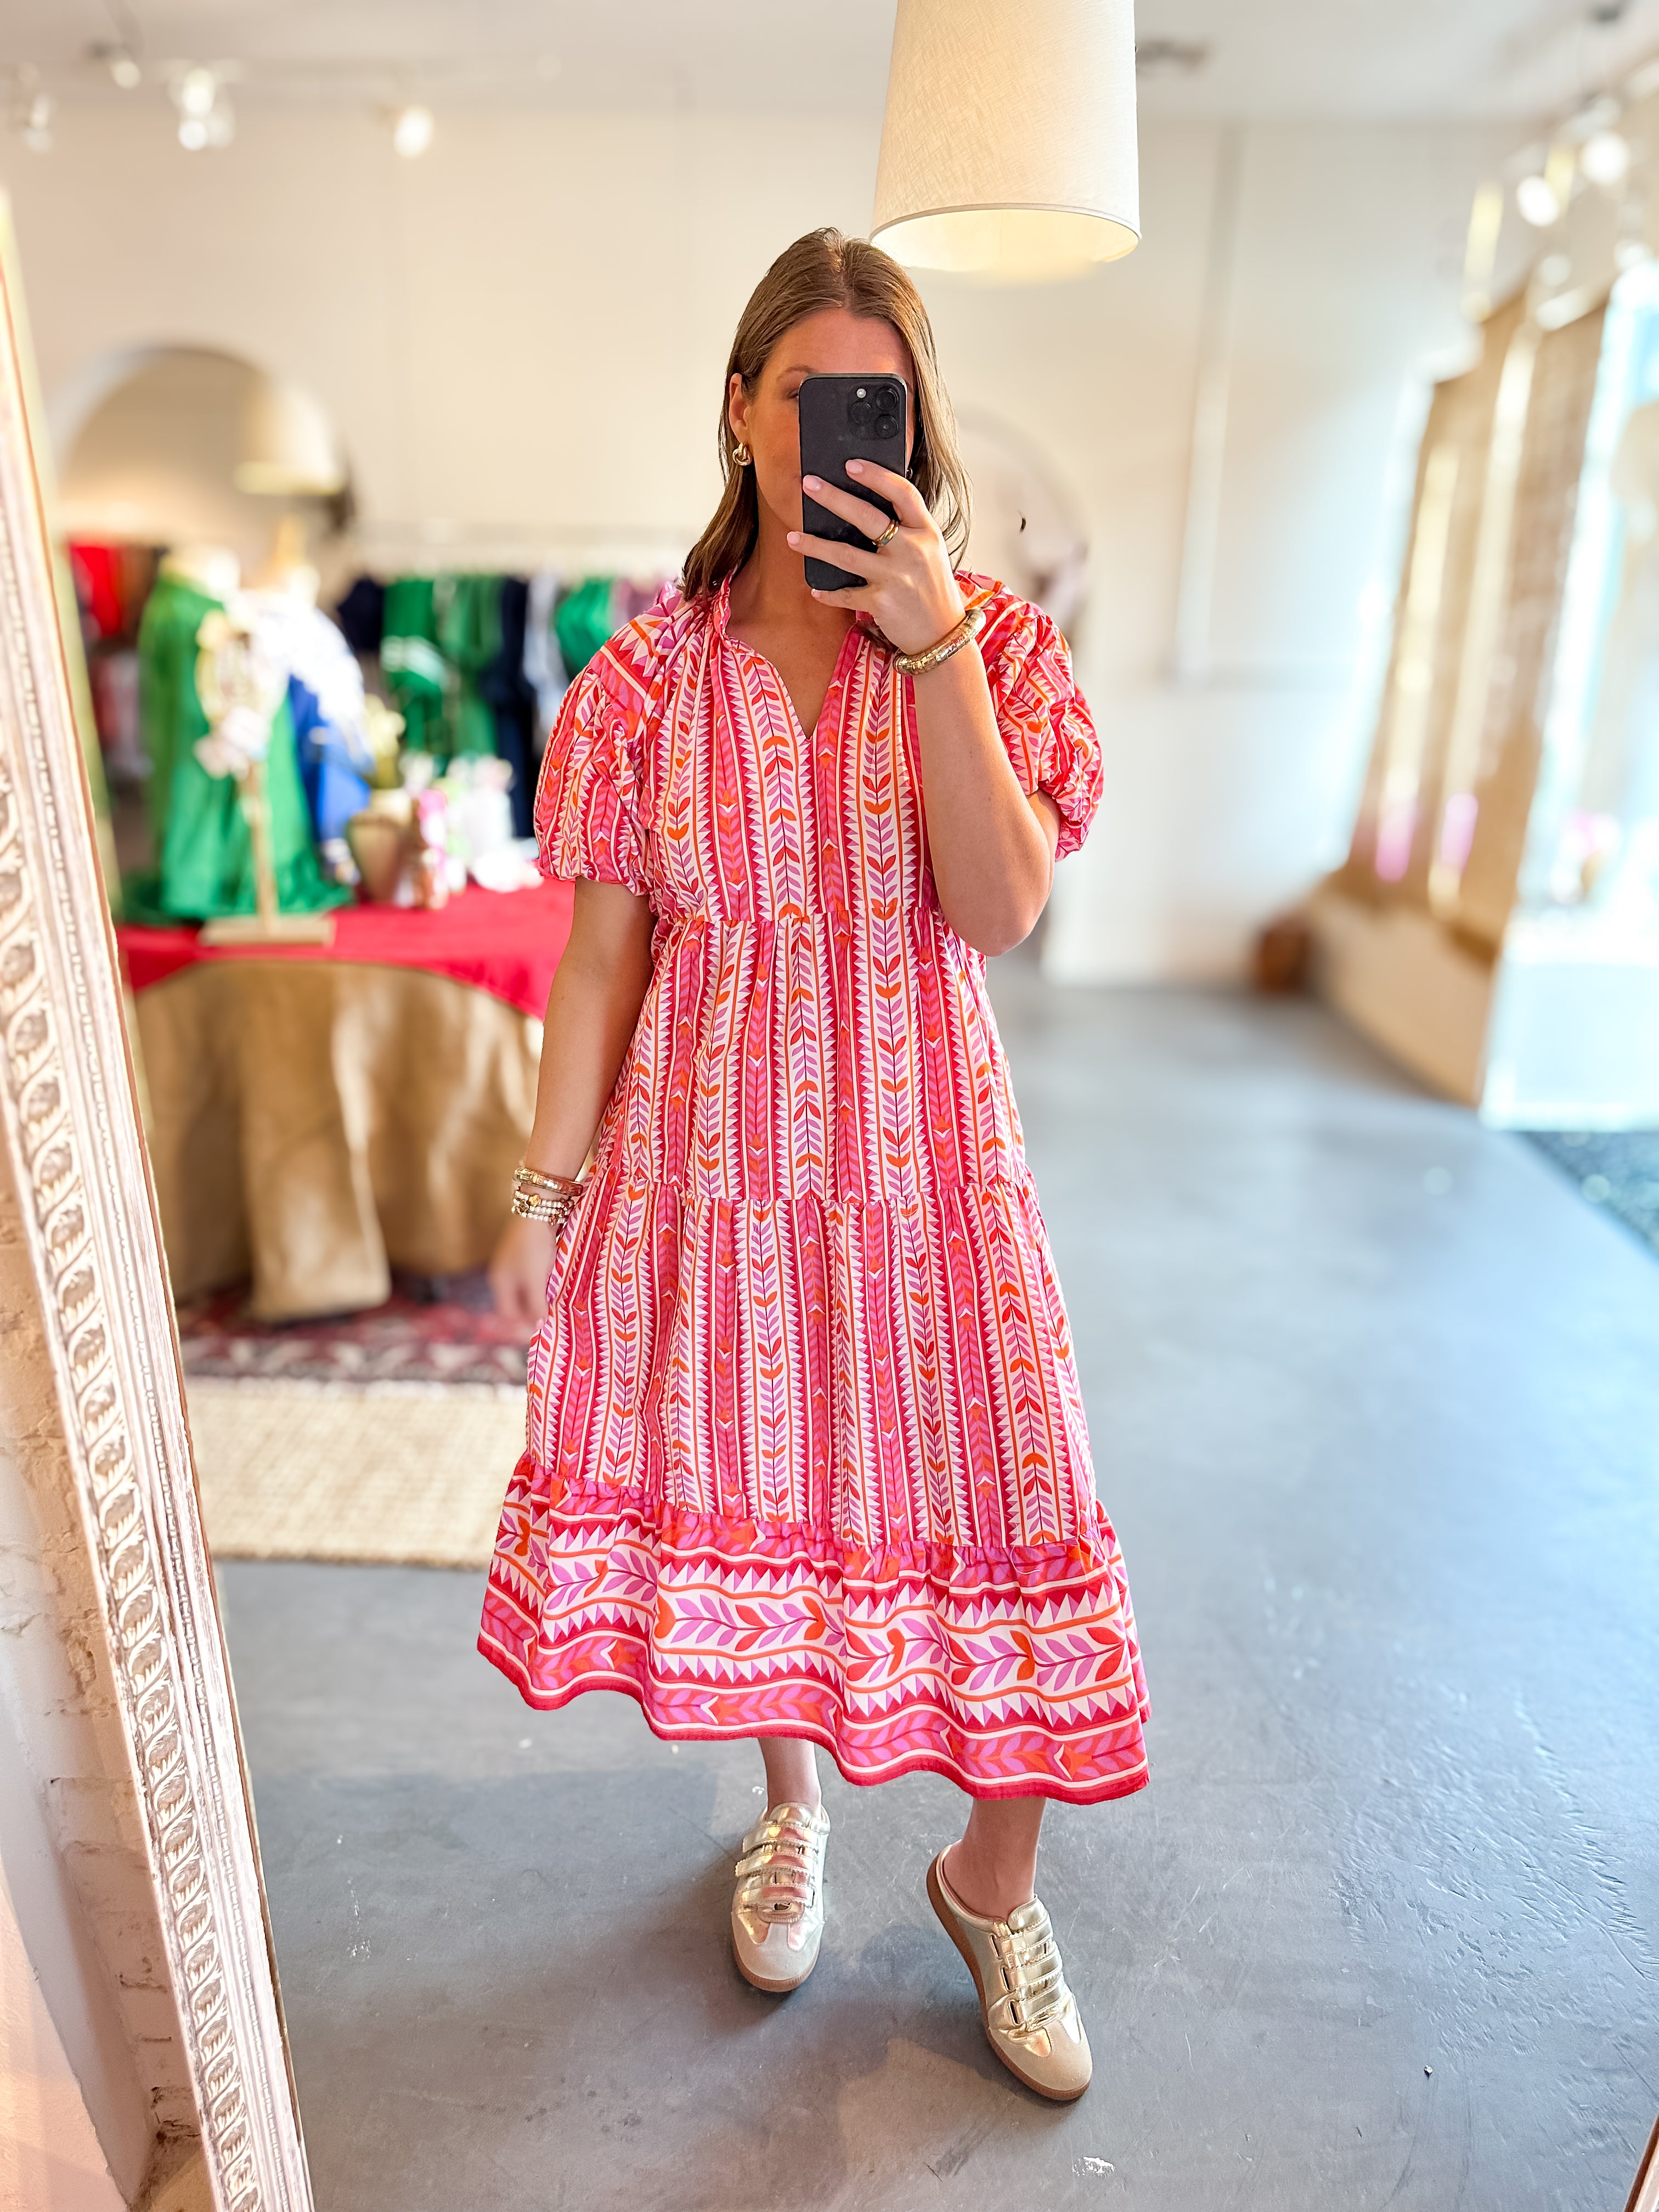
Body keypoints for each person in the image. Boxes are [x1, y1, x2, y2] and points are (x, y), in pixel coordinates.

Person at [483, 227, 1148, 2102]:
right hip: (715, 1192)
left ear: (914, 428)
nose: (842, 428)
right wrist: (544, 1195)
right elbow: (601, 960)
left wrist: (932, 646)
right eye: (807, 393)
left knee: (1018, 1506)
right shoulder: (644, 681)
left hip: (933, 1187)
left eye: (882, 400)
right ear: (742, 410)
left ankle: (992, 1883)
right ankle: (793, 1812)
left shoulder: (994, 646)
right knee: (756, 1505)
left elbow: (999, 908)